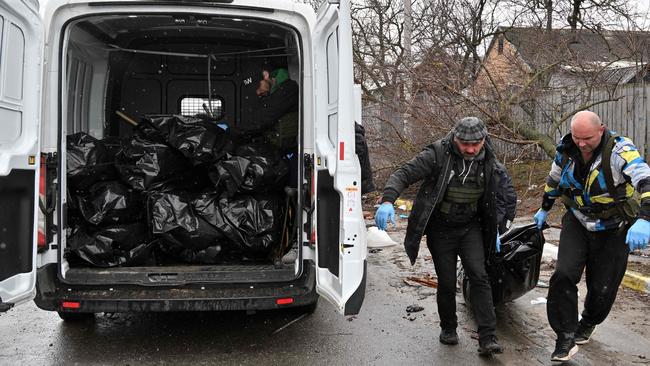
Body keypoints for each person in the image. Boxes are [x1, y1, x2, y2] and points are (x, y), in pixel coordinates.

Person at [375, 116, 510, 356]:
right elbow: (405, 173)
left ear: (483, 140)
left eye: (475, 144)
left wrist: (500, 226)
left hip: (471, 227)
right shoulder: (438, 153)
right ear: (455, 138)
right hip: (441, 229)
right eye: (464, 144)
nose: (470, 149)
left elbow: (504, 194)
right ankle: (448, 327)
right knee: (446, 281)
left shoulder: (489, 159)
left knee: (479, 276)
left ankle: (488, 337)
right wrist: (387, 199)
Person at [533, 110, 650, 362]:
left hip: (613, 227)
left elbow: (645, 180)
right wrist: (544, 208)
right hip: (577, 220)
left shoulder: (621, 151)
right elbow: (553, 180)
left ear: (601, 129)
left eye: (587, 138)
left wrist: (645, 218)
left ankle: (588, 322)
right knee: (563, 275)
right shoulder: (567, 150)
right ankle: (564, 336)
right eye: (577, 138)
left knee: (602, 288)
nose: (582, 144)